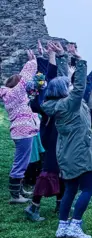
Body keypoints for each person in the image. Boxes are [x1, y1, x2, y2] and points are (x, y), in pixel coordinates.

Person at [41, 44, 92, 238]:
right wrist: (80, 60)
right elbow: (79, 86)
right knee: (89, 188)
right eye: (67, 86)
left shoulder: (57, 103)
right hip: (80, 153)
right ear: (64, 91)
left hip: (66, 153)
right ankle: (75, 225)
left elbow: (63, 80)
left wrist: (62, 57)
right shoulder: (69, 104)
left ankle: (62, 226)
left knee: (71, 189)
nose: (70, 85)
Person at [25, 41, 66, 221]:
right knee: (48, 173)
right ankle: (33, 207)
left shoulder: (54, 103)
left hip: (60, 141)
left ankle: (60, 203)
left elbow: (52, 77)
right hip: (52, 141)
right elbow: (50, 82)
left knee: (61, 172)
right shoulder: (50, 106)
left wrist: (52, 56)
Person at [0, 50, 39, 204]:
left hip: (20, 131)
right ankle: (15, 196)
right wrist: (32, 62)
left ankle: (19, 190)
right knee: (21, 162)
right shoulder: (15, 94)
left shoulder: (11, 95)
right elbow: (25, 78)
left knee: (22, 160)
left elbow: (23, 80)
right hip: (23, 132)